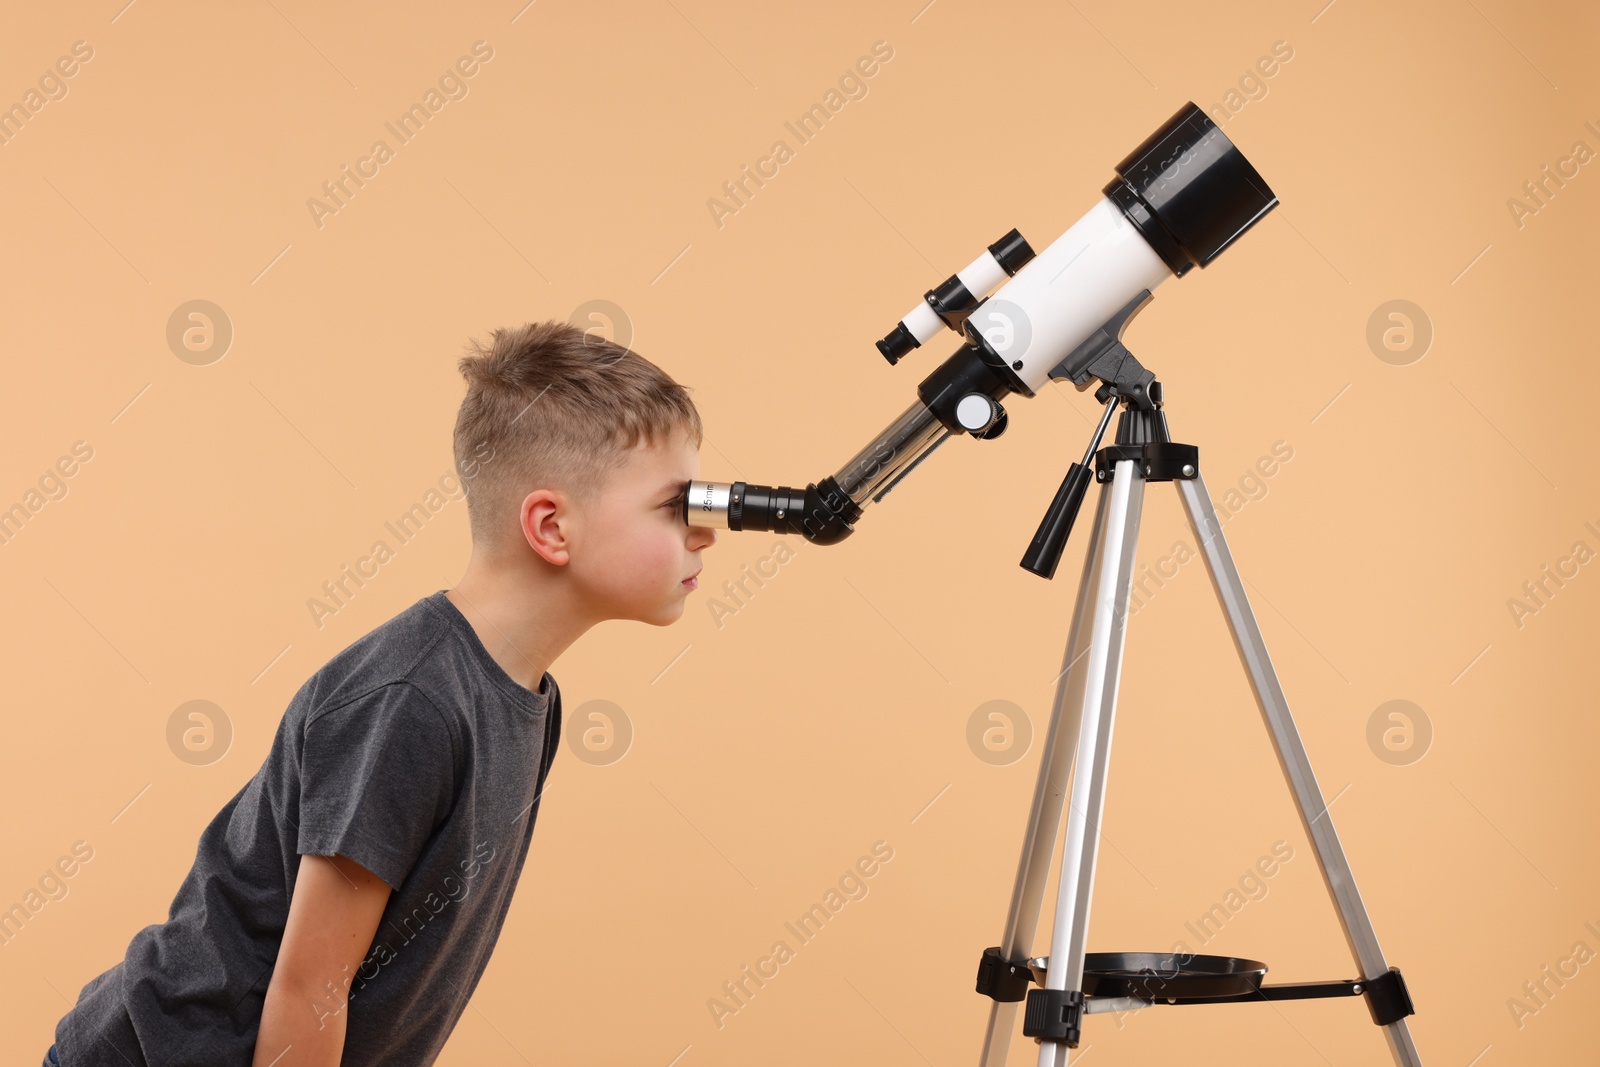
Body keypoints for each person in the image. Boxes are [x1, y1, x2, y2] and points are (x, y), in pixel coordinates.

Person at [47, 321, 716, 1065]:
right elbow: (307, 993)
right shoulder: (412, 702)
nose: (707, 534)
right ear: (551, 525)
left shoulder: (525, 696)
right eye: (676, 505)